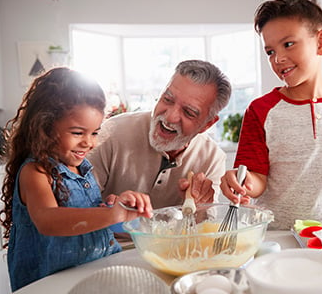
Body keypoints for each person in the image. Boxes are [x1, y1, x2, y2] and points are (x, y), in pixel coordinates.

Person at [220, 0, 322, 230]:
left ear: (321, 42)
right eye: (270, 51)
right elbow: (257, 177)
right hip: (277, 235)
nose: (277, 59)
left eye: (288, 44)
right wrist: (245, 183)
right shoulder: (260, 110)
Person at [0, 67, 152, 291]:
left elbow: (85, 216)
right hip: (48, 289)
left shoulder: (84, 169)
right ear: (45, 128)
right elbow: (48, 220)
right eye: (78, 133)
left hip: (93, 277)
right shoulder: (35, 172)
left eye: (95, 132)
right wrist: (109, 214)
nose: (89, 142)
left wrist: (112, 207)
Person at [88, 59, 232, 209]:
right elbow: (77, 207)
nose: (170, 117)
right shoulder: (112, 132)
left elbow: (205, 227)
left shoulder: (213, 159)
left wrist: (198, 209)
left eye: (188, 112)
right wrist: (109, 211)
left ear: (207, 124)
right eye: (167, 99)